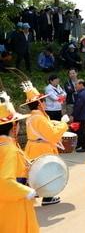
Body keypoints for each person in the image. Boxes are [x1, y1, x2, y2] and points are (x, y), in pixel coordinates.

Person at [21, 81, 68, 206]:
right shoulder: (39, 117)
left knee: (35, 172)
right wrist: (63, 124)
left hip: (33, 146)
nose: (45, 103)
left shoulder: (32, 116)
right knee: (47, 172)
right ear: (39, 104)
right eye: (43, 101)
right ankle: (47, 197)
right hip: (42, 148)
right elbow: (52, 135)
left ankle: (37, 191)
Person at [0, 94, 40, 233]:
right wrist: (26, 190)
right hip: (13, 202)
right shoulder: (9, 149)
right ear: (13, 126)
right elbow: (4, 180)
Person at [72, 79, 85, 152]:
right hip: (84, 115)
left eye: (76, 84)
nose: (75, 86)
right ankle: (80, 144)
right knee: (81, 131)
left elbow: (78, 106)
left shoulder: (82, 94)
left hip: (81, 116)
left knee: (82, 132)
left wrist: (73, 115)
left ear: (81, 84)